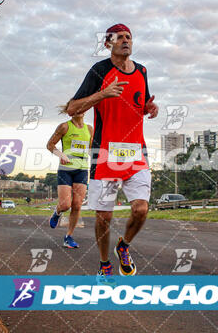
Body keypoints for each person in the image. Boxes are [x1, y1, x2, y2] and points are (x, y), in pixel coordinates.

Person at [66, 23, 158, 277]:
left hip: (136, 152)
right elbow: (72, 108)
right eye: (119, 38)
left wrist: (150, 109)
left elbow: (142, 104)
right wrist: (102, 94)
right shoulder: (99, 71)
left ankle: (124, 246)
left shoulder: (142, 71)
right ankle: (104, 263)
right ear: (108, 44)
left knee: (141, 209)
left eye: (129, 36)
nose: (126, 41)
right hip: (105, 153)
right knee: (104, 216)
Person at [47, 106, 93, 249]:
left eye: (83, 107)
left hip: (82, 170)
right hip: (66, 170)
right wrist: (61, 155)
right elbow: (50, 145)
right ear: (71, 112)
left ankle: (69, 237)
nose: (81, 110)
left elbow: (91, 149)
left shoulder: (89, 129)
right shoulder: (64, 127)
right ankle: (57, 212)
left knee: (77, 205)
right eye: (77, 108)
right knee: (66, 205)